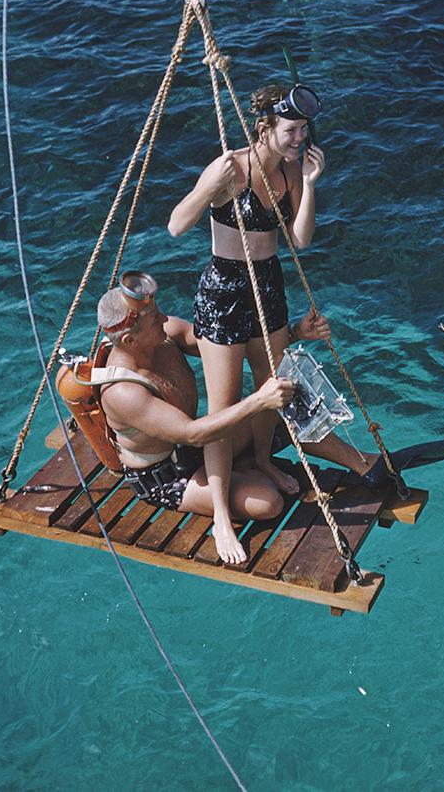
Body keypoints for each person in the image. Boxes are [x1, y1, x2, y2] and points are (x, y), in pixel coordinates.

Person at [167, 84, 334, 561]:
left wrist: (310, 183)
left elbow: (300, 240)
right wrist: (205, 186)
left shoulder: (292, 169)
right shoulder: (231, 168)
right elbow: (177, 225)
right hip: (223, 291)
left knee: (271, 388)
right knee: (225, 404)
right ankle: (220, 513)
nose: (300, 138)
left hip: (269, 285)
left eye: (304, 130)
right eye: (291, 130)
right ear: (265, 128)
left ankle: (262, 459)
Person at [95, 275, 367, 560]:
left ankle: (363, 464)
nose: (165, 319)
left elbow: (233, 350)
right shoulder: (123, 393)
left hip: (197, 448)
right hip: (167, 475)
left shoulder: (166, 336)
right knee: (268, 502)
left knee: (288, 401)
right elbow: (193, 433)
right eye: (154, 320)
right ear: (129, 340)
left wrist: (295, 331)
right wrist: (258, 400)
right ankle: (232, 494)